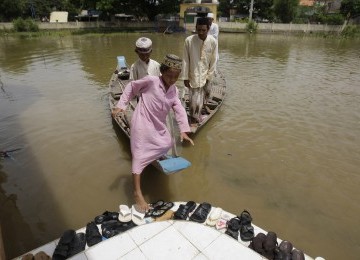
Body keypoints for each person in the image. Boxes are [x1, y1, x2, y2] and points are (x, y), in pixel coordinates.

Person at [112, 54, 194, 212]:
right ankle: (137, 193)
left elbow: (179, 109)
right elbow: (131, 87)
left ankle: (154, 156)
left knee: (167, 142)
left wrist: (184, 130)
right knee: (139, 156)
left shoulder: (174, 90)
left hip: (157, 124)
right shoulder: (151, 81)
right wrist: (121, 105)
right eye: (169, 75)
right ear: (162, 71)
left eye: (175, 77)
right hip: (142, 122)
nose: (171, 79)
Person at [182, 17, 218, 123]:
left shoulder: (212, 41)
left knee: (206, 94)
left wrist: (210, 76)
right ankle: (194, 116)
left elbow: (214, 59)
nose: (201, 32)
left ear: (208, 29)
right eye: (199, 30)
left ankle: (202, 109)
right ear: (196, 28)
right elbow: (185, 60)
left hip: (207, 73)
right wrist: (185, 77)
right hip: (194, 73)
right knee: (194, 97)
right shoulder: (189, 41)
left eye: (204, 30)